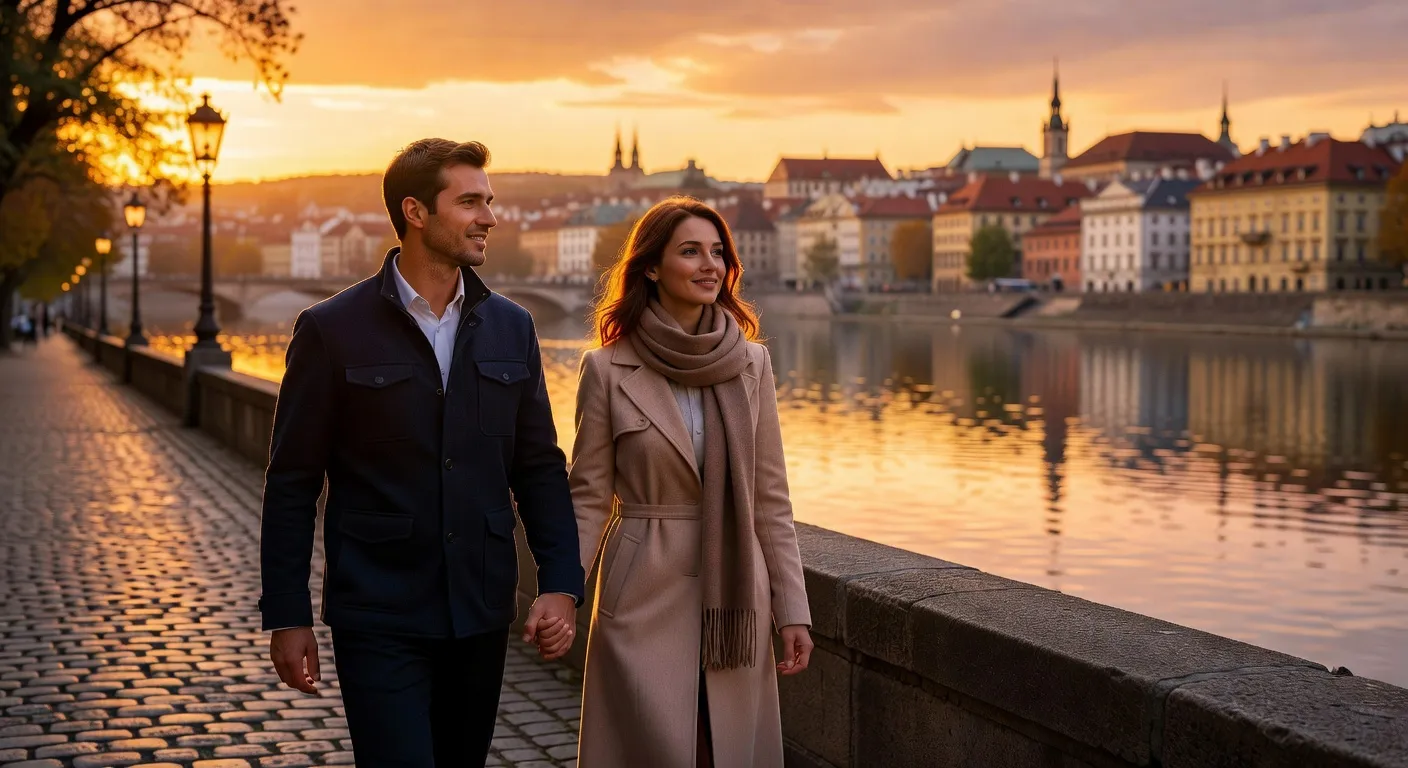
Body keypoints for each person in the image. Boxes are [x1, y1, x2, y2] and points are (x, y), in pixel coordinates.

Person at [259, 138, 583, 767]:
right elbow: (293, 481)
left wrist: (561, 582)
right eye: (469, 202)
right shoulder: (331, 329)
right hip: (379, 610)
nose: (489, 216)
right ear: (415, 211)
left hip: (481, 609)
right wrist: (288, 611)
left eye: (488, 201)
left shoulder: (513, 326)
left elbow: (540, 468)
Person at [569, 196, 813, 767]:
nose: (711, 265)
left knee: (719, 748)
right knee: (654, 748)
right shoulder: (606, 369)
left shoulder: (752, 364)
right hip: (642, 587)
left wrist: (792, 608)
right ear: (651, 267)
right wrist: (561, 592)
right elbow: (587, 498)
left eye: (718, 253)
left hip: (735, 588)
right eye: (690, 252)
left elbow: (770, 500)